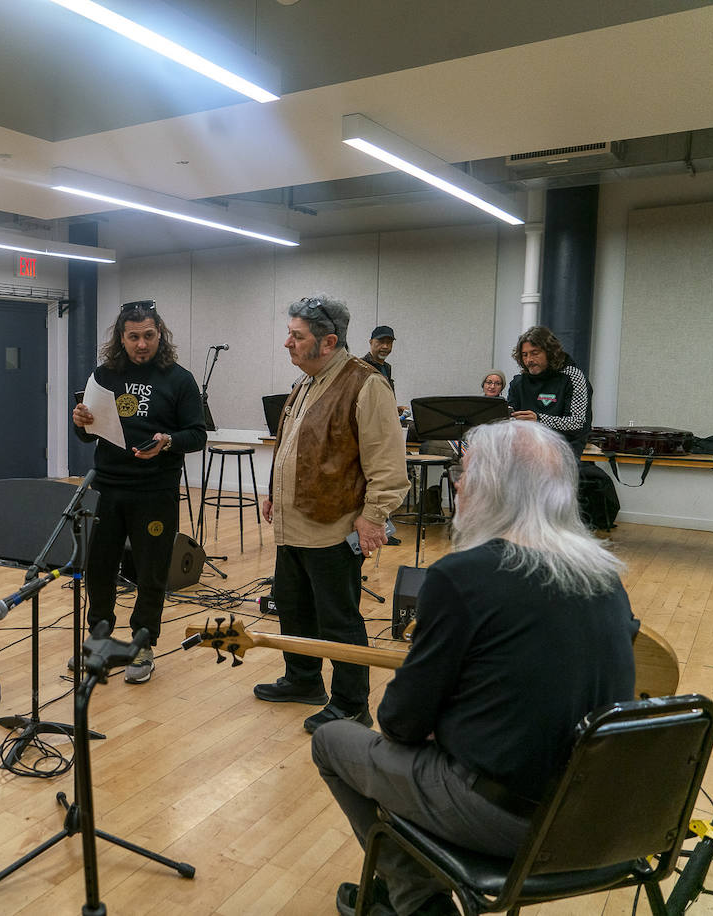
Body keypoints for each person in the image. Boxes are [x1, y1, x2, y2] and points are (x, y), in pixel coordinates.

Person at [313, 419, 637, 916]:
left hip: (511, 816)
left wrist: (438, 728)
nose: (458, 485)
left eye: (465, 473)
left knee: (333, 741)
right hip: (597, 812)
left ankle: (417, 901)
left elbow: (399, 722)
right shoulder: (605, 575)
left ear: (492, 487)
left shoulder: (463, 576)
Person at [254, 295, 408, 731]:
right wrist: (273, 492)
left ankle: (351, 703)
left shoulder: (366, 384)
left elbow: (388, 465)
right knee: (294, 608)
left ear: (327, 341)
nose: (287, 343)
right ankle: (303, 680)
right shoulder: (307, 381)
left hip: (333, 526)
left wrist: (374, 516)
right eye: (289, 333)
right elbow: (292, 443)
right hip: (294, 522)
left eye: (296, 336)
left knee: (338, 619)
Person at [71, 301, 206, 684]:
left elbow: (197, 434)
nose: (141, 344)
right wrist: (80, 421)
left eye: (148, 335)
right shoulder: (104, 375)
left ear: (159, 334)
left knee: (151, 572)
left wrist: (167, 441)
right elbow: (87, 431)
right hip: (107, 487)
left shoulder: (179, 379)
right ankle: (98, 641)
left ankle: (143, 645)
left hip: (155, 491)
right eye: (133, 337)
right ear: (122, 338)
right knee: (99, 568)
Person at [505, 325, 592, 458]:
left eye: (535, 353)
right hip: (524, 454)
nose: (529, 360)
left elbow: (577, 423)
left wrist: (539, 420)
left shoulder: (573, 377)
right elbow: (508, 419)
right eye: (525, 355)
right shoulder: (518, 382)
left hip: (562, 454)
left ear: (550, 352)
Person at [362, 325, 396, 389]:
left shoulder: (387, 367)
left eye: (389, 342)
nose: (385, 346)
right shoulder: (361, 366)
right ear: (371, 342)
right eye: (381, 342)